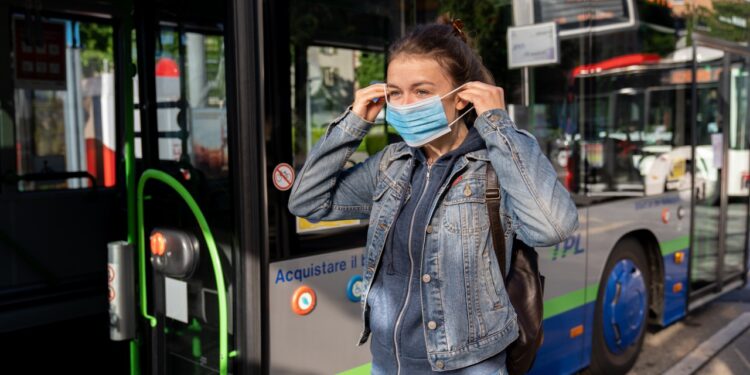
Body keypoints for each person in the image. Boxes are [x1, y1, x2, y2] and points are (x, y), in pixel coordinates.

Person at [288, 18, 578, 375]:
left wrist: (497, 123)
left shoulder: (494, 164)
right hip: (389, 363)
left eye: (422, 91)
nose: (405, 104)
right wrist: (353, 123)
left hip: (468, 366)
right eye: (395, 92)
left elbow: (553, 227)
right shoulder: (391, 164)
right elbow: (306, 201)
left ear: (460, 99)